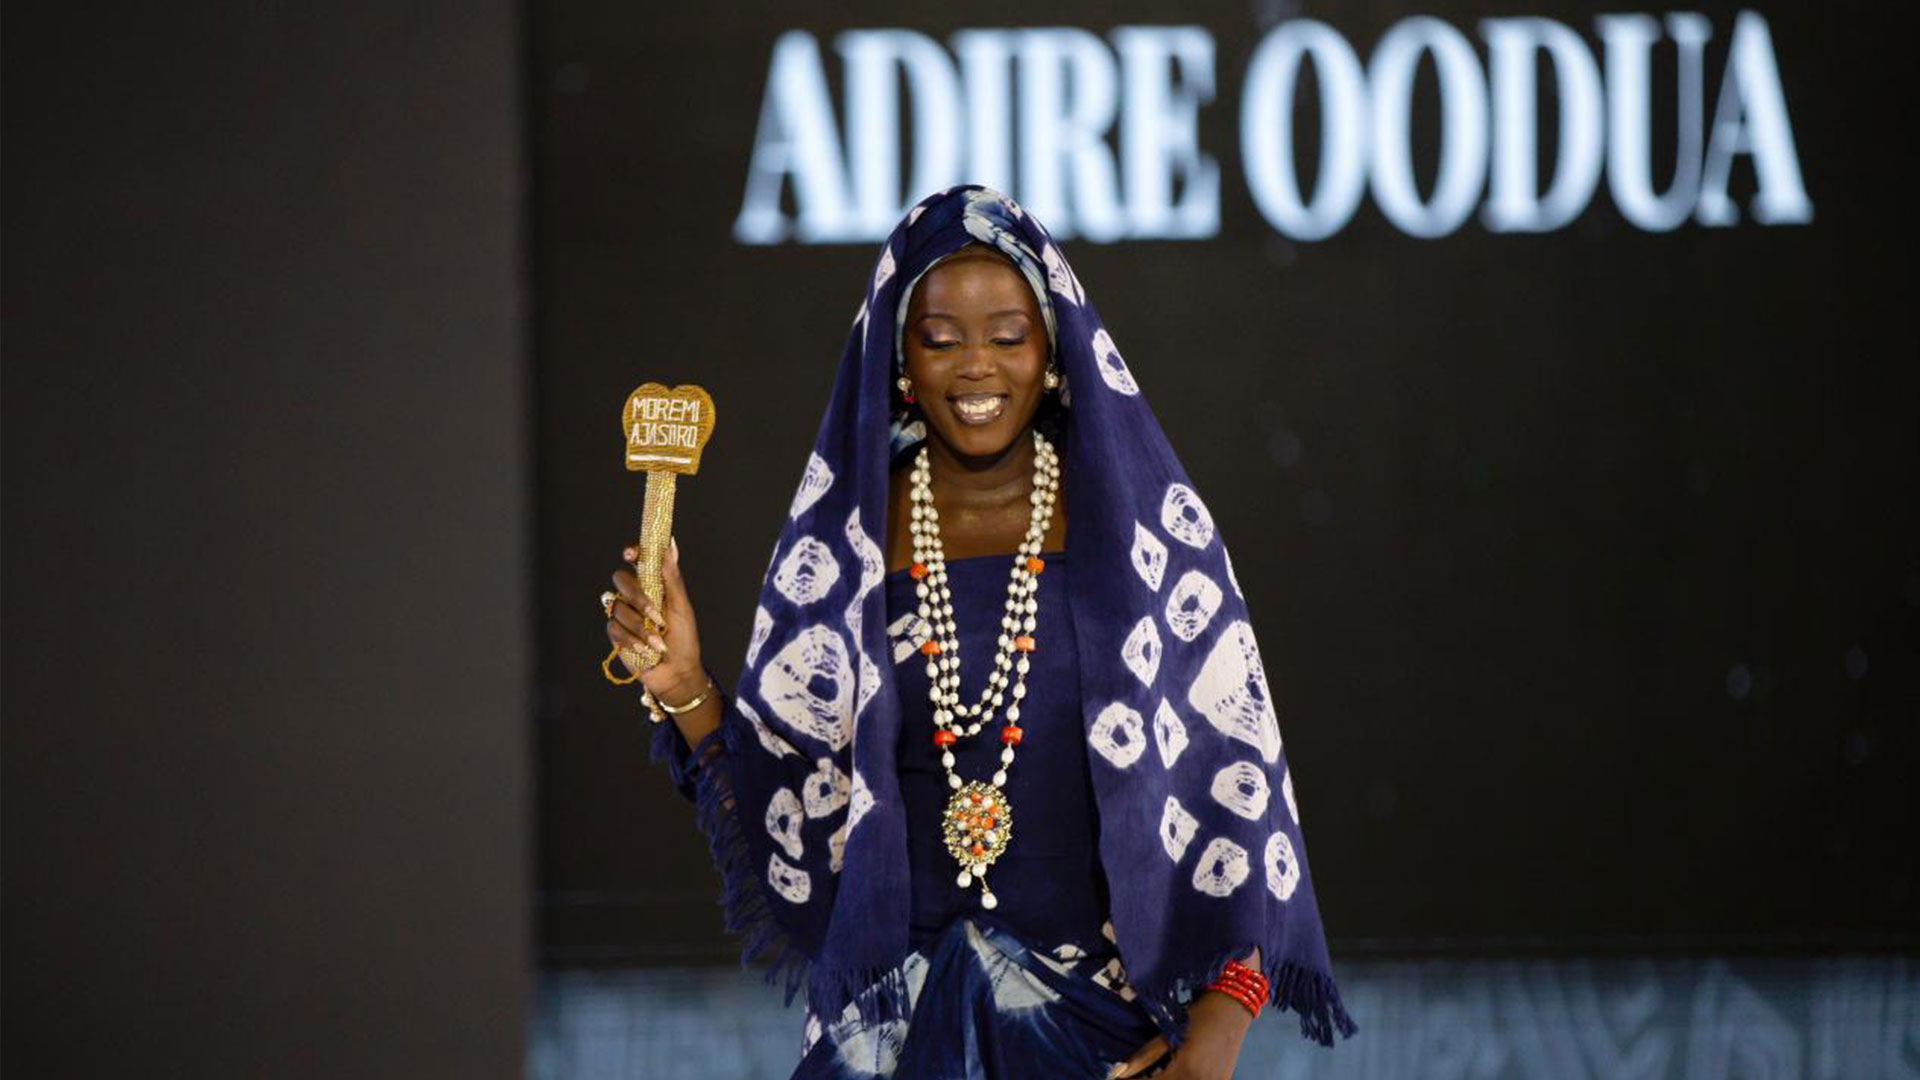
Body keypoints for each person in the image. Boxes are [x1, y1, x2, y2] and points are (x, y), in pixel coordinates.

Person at [604, 185, 1354, 1078]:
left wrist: (1216, 1043)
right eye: (940, 337)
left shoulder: (1140, 533)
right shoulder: (846, 543)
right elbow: (786, 800)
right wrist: (683, 682)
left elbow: (1235, 795)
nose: (976, 367)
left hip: (1096, 1036)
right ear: (898, 358)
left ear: (1054, 349)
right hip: (886, 1042)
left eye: (1008, 335)